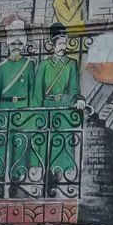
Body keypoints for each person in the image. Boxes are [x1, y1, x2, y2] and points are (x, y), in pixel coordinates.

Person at [33, 24, 86, 194]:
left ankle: (57, 180)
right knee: (46, 146)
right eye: (60, 43)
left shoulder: (71, 64)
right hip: (47, 110)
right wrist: (37, 115)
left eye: (64, 43)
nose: (63, 46)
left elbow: (74, 89)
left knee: (62, 146)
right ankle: (46, 180)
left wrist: (79, 99)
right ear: (52, 44)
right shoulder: (44, 65)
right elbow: (37, 93)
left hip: (64, 111)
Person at [0, 18, 34, 194]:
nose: (16, 47)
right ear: (8, 45)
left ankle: (17, 182)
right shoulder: (1, 67)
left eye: (19, 43)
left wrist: (30, 114)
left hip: (22, 111)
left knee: (20, 146)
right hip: (3, 110)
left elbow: (31, 91)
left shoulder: (29, 65)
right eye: (13, 43)